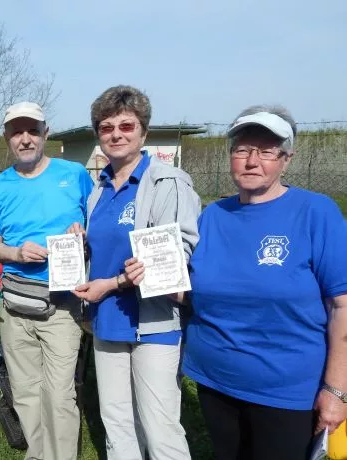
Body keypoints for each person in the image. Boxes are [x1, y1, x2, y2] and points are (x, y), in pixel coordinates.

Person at [146, 105, 347, 460]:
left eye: (266, 151)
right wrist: (152, 275)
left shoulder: (316, 213)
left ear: (286, 159)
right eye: (242, 150)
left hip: (285, 391)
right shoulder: (212, 216)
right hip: (214, 380)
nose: (252, 161)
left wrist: (336, 391)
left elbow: (341, 306)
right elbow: (195, 295)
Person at [69, 85, 198, 460]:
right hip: (107, 320)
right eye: (106, 127)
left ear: (144, 131)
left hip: (153, 322)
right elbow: (106, 247)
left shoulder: (167, 182)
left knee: (159, 429)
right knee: (117, 423)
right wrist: (81, 243)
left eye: (126, 126)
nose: (116, 135)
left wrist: (113, 283)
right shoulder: (99, 188)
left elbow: (176, 258)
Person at [0, 101, 94, 460]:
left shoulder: (74, 174)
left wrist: (84, 233)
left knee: (59, 395)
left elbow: (99, 224)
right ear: (7, 138)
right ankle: (38, 454)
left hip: (62, 304)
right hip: (16, 305)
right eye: (17, 132)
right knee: (26, 392)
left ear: (46, 134)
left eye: (33, 130)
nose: (26, 139)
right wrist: (16, 253)